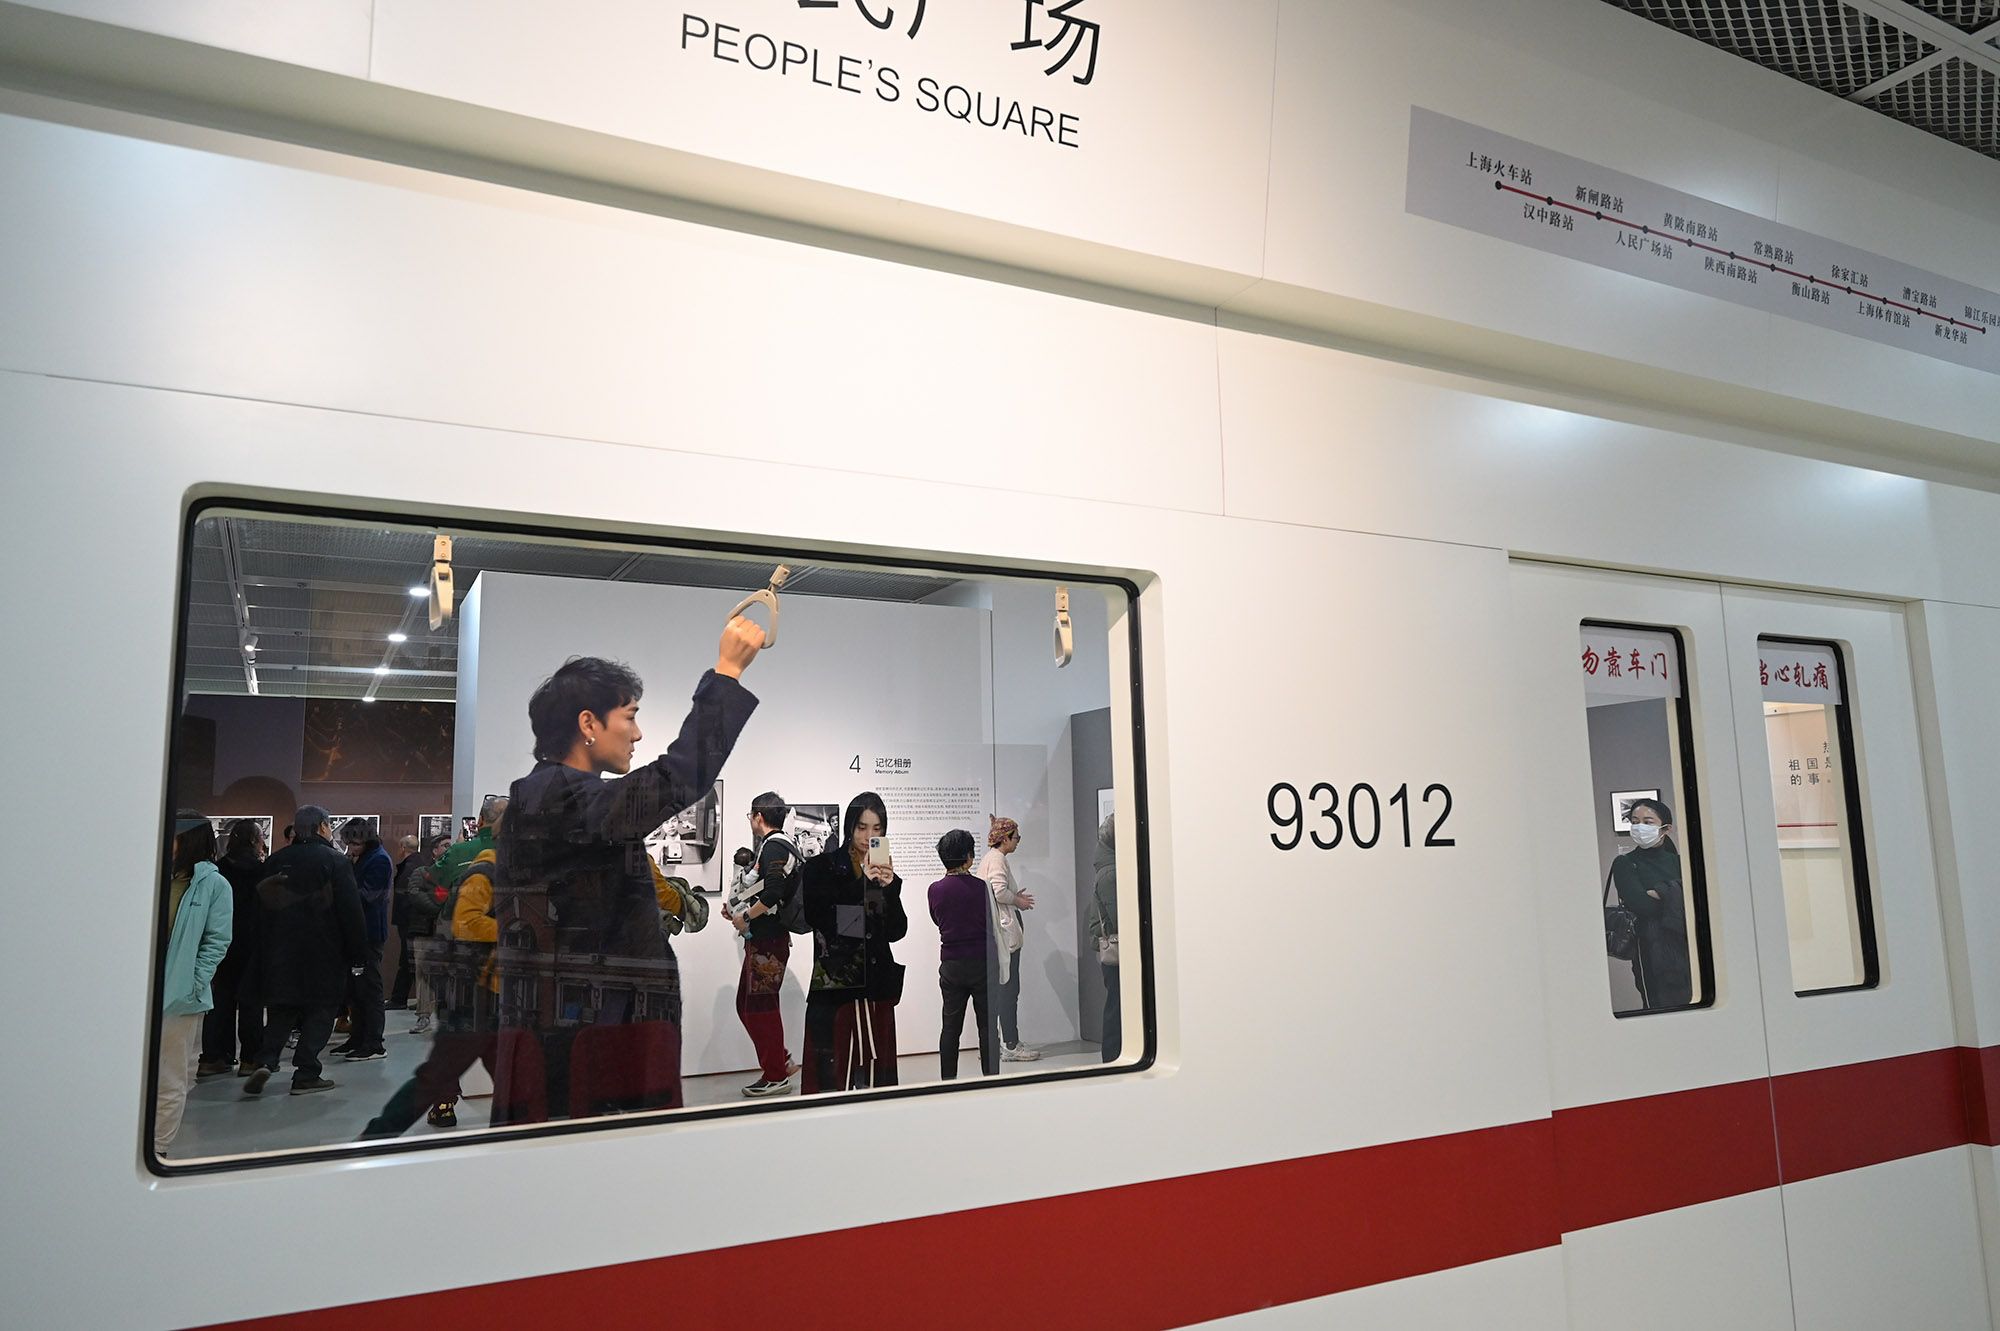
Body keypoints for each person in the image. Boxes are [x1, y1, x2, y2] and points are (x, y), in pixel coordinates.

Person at [492, 618, 764, 1122]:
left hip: (580, 1024)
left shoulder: (547, 796)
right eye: (630, 717)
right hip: (594, 1038)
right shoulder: (562, 798)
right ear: (589, 724)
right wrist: (727, 672)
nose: (638, 734)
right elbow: (676, 779)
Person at [362, 826, 504, 1137]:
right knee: (440, 1073)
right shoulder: (485, 872)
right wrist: (512, 930)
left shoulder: (499, 872)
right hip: (471, 989)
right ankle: (375, 1137)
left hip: (489, 988)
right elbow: (466, 922)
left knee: (511, 1078)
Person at [244, 806, 366, 1097]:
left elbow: (259, 909)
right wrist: (358, 952)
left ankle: (266, 1060)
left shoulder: (275, 860)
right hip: (325, 949)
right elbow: (350, 911)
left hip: (280, 950)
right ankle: (307, 1072)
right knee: (321, 1010)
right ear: (323, 826)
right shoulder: (335, 861)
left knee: (282, 1009)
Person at [800, 792, 907, 1094]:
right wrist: (862, 886)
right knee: (830, 1085)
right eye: (862, 827)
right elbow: (825, 922)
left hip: (876, 989)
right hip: (837, 990)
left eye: (877, 829)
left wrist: (889, 889)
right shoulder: (821, 867)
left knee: (878, 1087)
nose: (868, 836)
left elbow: (896, 931)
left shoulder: (882, 876)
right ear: (849, 826)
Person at [156, 814, 232, 1155]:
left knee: (169, 1077)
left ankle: (157, 1147)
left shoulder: (214, 885)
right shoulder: (155, 874)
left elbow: (217, 940)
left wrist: (193, 982)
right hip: (138, 994)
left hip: (180, 996)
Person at [725, 790, 802, 1097]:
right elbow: (765, 890)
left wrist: (745, 917)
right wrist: (740, 909)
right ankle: (779, 1061)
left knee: (760, 1006)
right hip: (766, 939)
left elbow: (772, 892)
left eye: (751, 816)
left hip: (768, 941)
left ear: (758, 817)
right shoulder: (781, 845)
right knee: (748, 1004)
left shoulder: (774, 846)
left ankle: (776, 1075)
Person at [928, 829, 998, 1080]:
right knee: (987, 1027)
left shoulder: (935, 890)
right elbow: (990, 920)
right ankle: (991, 1078)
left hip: (951, 965)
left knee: (950, 1027)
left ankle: (948, 1081)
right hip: (982, 963)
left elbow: (937, 920)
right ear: (968, 857)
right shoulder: (981, 887)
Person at [201, 818, 267, 1077]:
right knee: (251, 1002)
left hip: (221, 943)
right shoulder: (262, 871)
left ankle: (214, 1057)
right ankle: (250, 1058)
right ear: (254, 840)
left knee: (219, 1001)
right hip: (252, 943)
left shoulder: (218, 870)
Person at [1612, 797, 1691, 1010]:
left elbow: (1696, 900)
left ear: (1666, 828)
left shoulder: (1680, 861)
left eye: (1647, 822)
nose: (1640, 827)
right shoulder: (1625, 863)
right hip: (1649, 948)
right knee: (1659, 1006)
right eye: (1635, 821)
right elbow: (1642, 905)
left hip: (1687, 944)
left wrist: (1661, 892)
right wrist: (1675, 891)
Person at [978, 815, 1038, 1061]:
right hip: (1005, 936)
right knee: (1008, 991)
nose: (1018, 841)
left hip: (999, 934)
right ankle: (1011, 1045)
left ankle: (995, 1044)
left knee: (1001, 991)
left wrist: (1014, 896)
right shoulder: (997, 859)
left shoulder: (991, 858)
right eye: (1016, 837)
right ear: (1005, 838)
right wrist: (1017, 901)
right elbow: (999, 891)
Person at [335, 818, 393, 1061]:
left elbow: (368, 896)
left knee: (370, 989)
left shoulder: (379, 859)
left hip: (369, 933)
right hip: (357, 932)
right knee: (355, 990)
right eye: (349, 844)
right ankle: (358, 1037)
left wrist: (338, 893)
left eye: (355, 843)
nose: (351, 848)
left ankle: (374, 1042)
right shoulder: (361, 858)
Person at [1088, 811, 1120, 1063]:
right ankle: (1111, 1057)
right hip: (1118, 951)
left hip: (1118, 949)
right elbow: (1120, 917)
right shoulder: (1110, 874)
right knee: (1116, 1006)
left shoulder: (1108, 868)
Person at [387, 834, 422, 1010]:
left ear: (402, 847)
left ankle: (399, 999)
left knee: (408, 961)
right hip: (416, 921)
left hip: (409, 922)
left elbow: (406, 898)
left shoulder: (408, 868)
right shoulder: (421, 864)